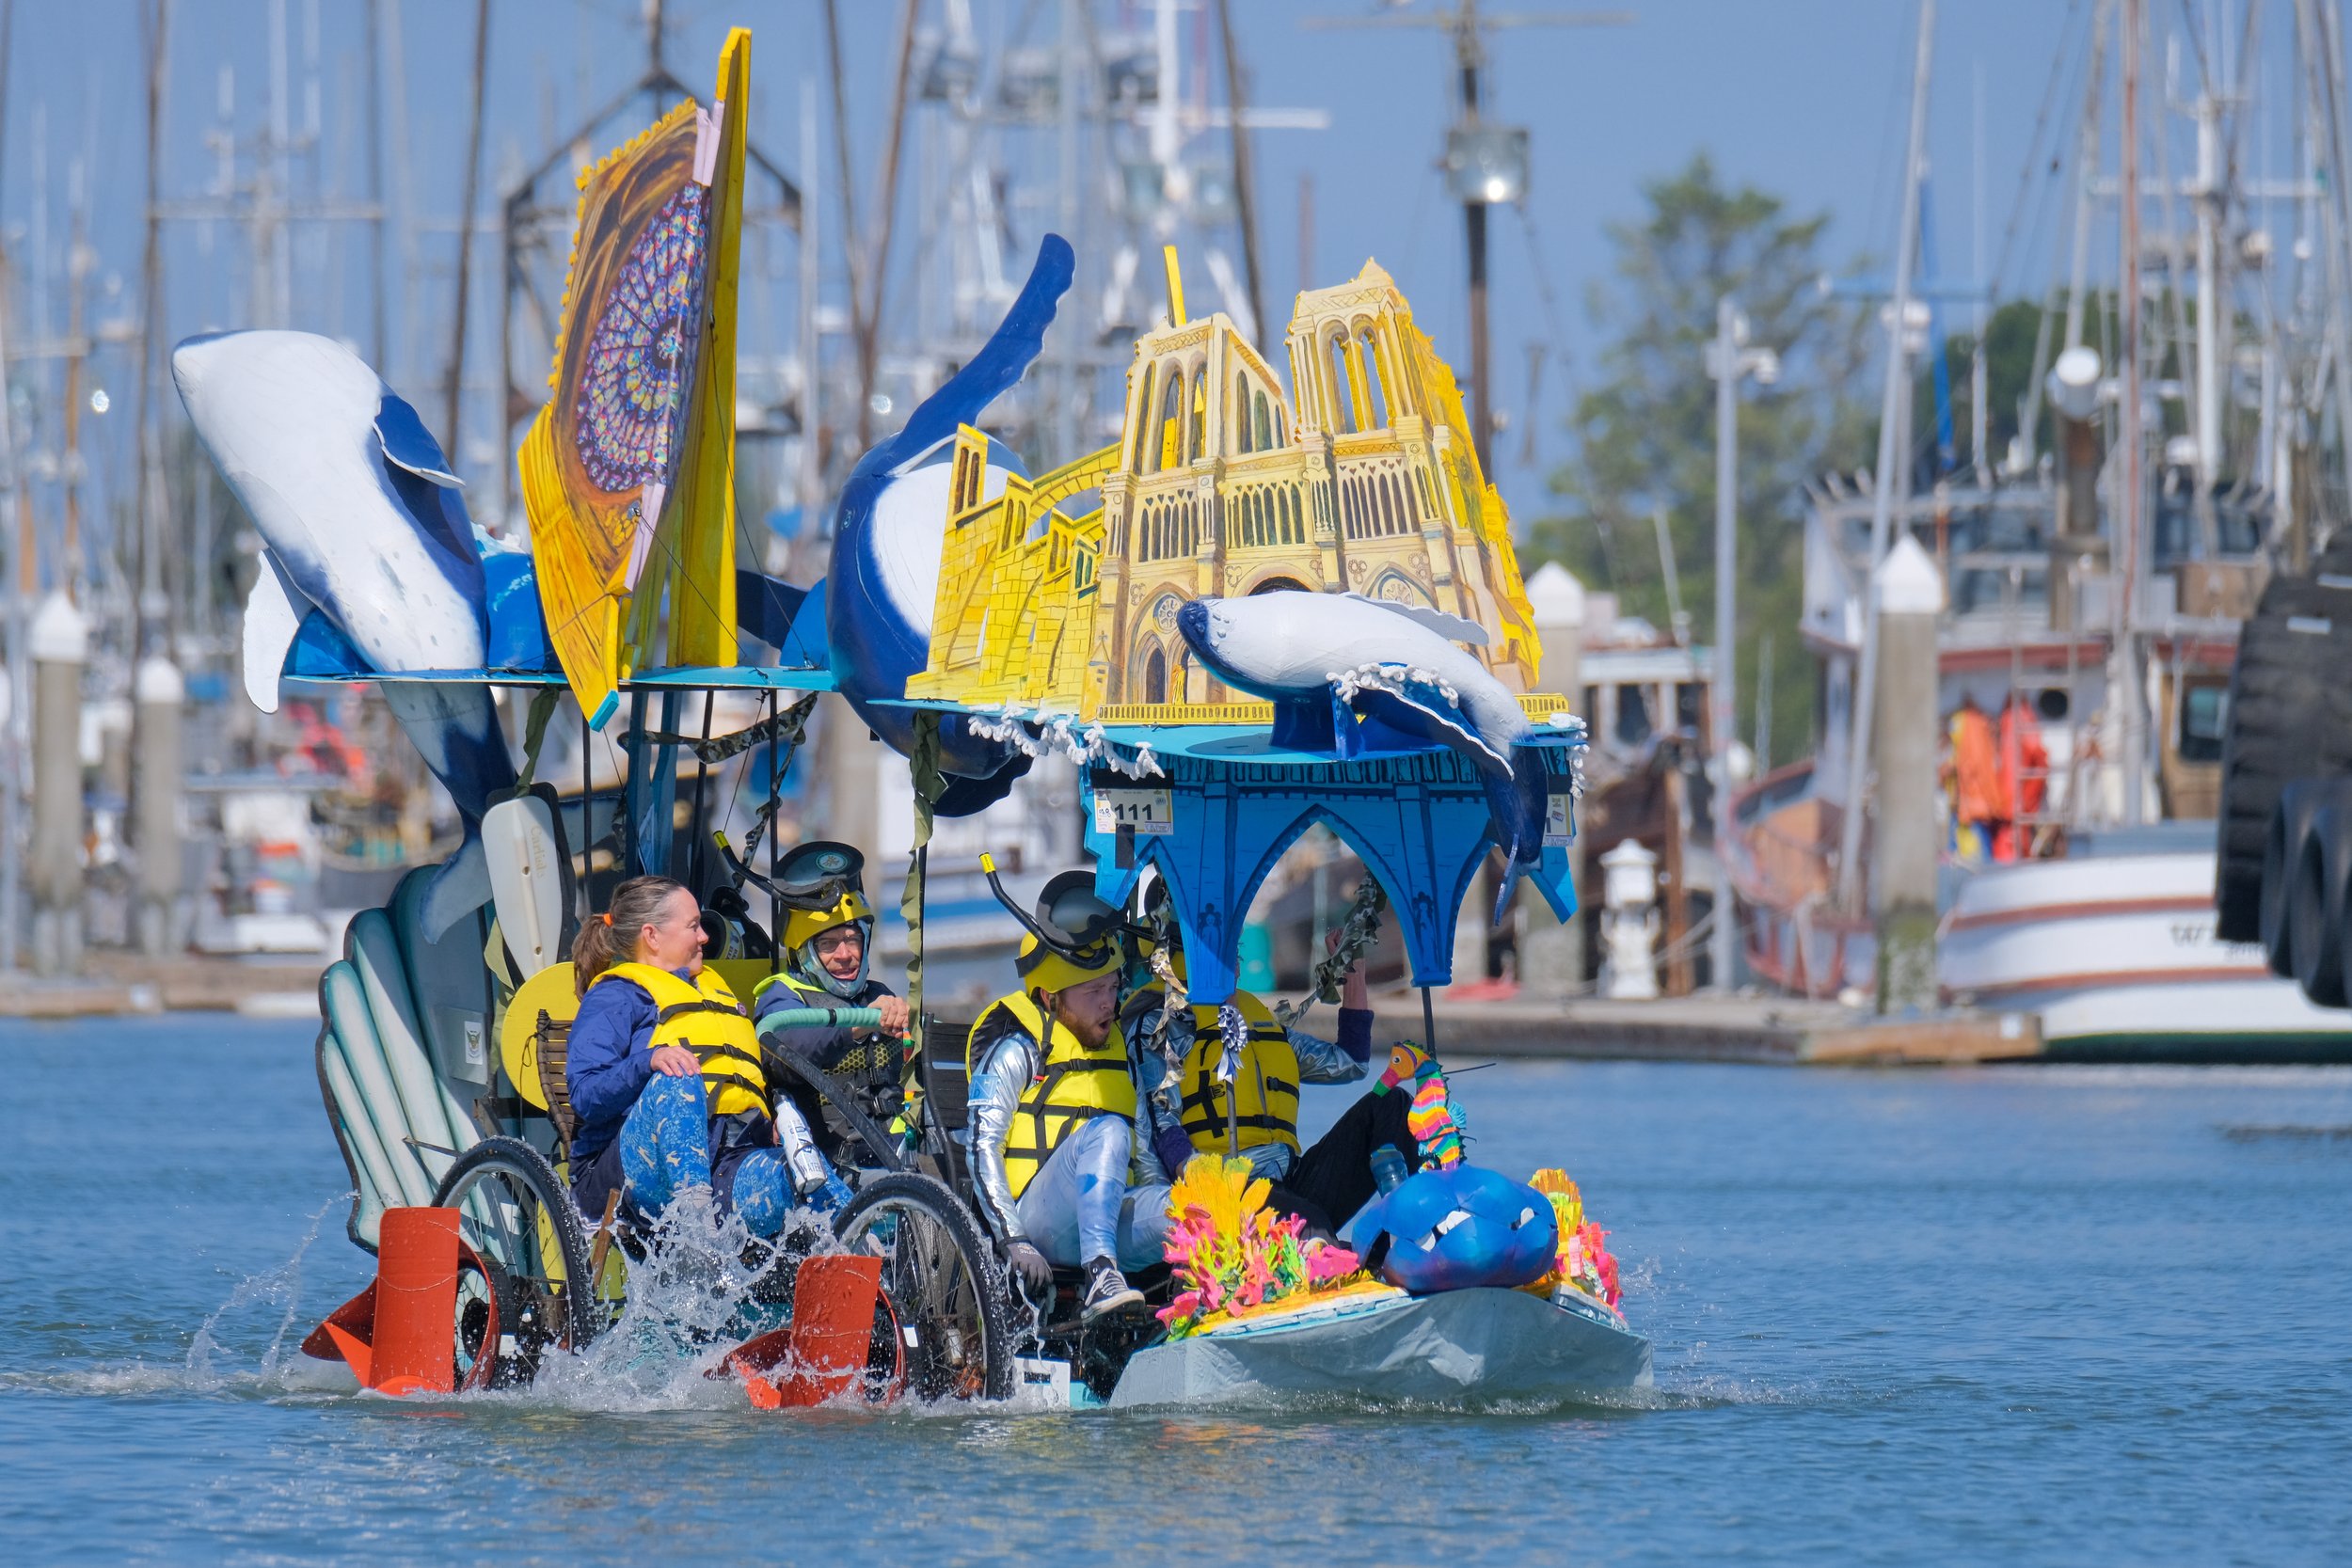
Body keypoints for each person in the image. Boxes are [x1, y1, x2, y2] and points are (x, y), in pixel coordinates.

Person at [564, 874, 850, 1239]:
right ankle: (695, 1242)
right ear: (652, 936)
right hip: (630, 1174)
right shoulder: (615, 995)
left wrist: (768, 1116)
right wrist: (649, 1060)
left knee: (806, 1179)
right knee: (676, 1075)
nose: (705, 937)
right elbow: (586, 1094)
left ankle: (868, 1274)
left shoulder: (714, 989)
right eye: (694, 926)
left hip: (726, 1161)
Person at [1123, 915, 1408, 1240]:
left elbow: (1350, 1061)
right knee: (1309, 1221)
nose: (1237, 955)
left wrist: (1353, 965)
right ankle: (1322, 1251)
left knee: (1392, 1105)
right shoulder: (1161, 1024)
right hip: (1229, 1195)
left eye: (1235, 946)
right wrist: (1200, 1195)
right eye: (1227, 946)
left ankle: (1416, 1231)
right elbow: (1161, 1125)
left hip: (1291, 1180)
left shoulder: (1255, 1016)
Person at [966, 868, 1168, 1321]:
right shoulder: (1018, 1048)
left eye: (1114, 988)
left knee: (1192, 1210)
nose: (1108, 1004)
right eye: (1093, 990)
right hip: (1037, 1222)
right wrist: (1012, 1238)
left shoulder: (1122, 1057)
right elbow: (981, 1147)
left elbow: (1148, 1160)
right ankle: (1100, 1275)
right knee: (1111, 1132)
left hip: (1107, 1219)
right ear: (1049, 996)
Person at [751, 841, 913, 1160]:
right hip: (826, 1159)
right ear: (804, 953)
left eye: (853, 940)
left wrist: (906, 1020)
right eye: (828, 944)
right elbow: (788, 1048)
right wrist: (859, 1024)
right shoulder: (779, 995)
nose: (845, 955)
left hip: (892, 1150)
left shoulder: (878, 992)